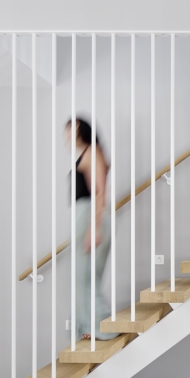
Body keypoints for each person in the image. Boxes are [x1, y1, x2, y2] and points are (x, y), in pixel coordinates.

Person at [65, 117, 120, 341]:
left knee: (87, 277)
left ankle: (103, 326)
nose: (65, 136)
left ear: (77, 127)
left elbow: (100, 192)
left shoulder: (93, 152)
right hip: (84, 217)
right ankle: (90, 326)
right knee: (82, 277)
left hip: (90, 218)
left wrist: (94, 228)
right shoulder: (86, 153)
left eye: (67, 130)